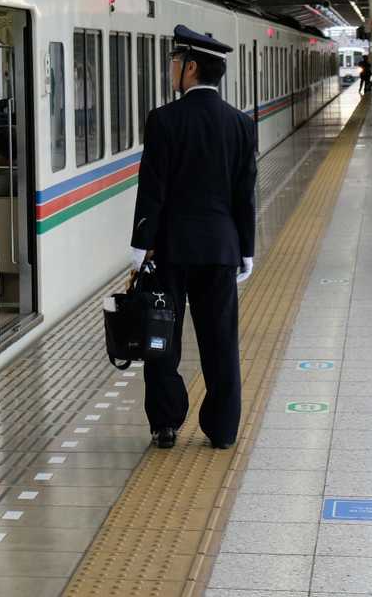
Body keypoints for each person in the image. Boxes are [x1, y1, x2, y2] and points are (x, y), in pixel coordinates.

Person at [128, 26, 257, 451]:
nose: (170, 69)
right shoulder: (241, 124)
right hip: (221, 249)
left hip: (170, 249)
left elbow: (152, 189)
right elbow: (244, 195)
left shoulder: (164, 120)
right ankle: (222, 429)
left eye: (174, 62)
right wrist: (246, 249)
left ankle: (165, 424)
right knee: (220, 340)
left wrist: (140, 245)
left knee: (161, 337)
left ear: (191, 67)